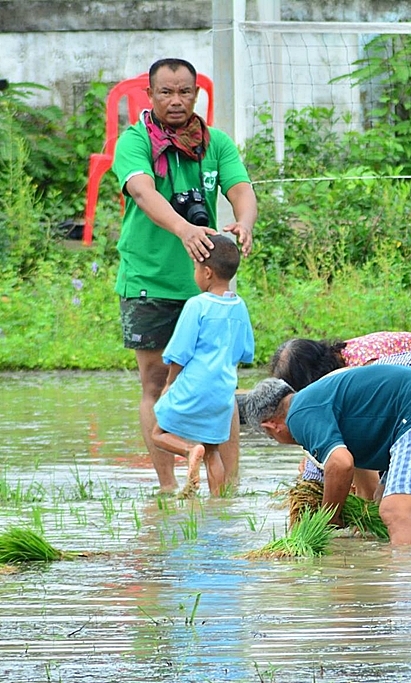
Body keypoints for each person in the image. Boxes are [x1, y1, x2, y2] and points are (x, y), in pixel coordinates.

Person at [113, 57, 257, 493]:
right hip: (149, 280)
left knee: (221, 383)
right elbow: (142, 189)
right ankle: (167, 487)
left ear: (197, 95)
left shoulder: (216, 143)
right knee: (156, 383)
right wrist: (184, 227)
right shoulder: (134, 141)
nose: (176, 100)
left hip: (209, 284)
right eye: (165, 92)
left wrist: (245, 223)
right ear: (150, 95)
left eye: (184, 92)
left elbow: (241, 189)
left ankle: (225, 491)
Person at [243, 367, 411, 545]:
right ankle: (400, 581)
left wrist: (328, 519)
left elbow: (341, 464)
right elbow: (361, 477)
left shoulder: (299, 413)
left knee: (395, 511)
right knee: (382, 500)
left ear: (271, 426)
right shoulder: (316, 400)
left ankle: (410, 600)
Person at [268, 333, 411, 516]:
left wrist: (328, 516)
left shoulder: (355, 370)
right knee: (394, 495)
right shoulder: (335, 376)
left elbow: (340, 459)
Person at [151, 235, 255, 496]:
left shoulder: (197, 305)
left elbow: (179, 352)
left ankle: (188, 450)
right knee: (213, 452)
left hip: (194, 384)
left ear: (207, 272)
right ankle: (217, 506)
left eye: (196, 269)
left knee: (158, 432)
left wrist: (168, 384)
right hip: (223, 390)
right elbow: (246, 351)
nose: (195, 274)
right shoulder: (239, 305)